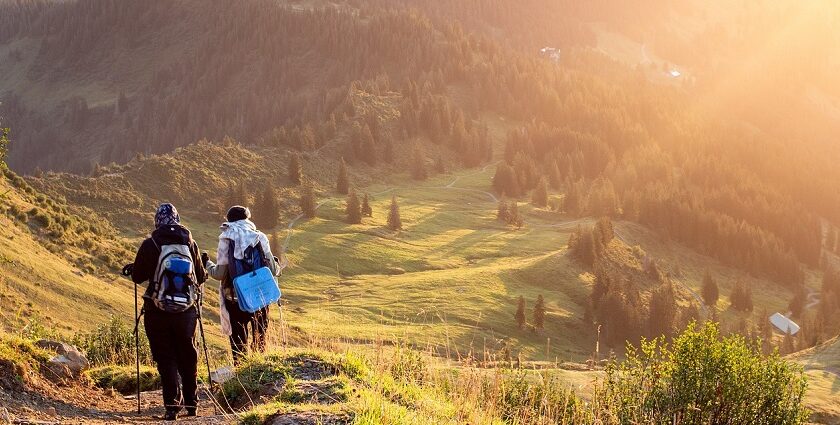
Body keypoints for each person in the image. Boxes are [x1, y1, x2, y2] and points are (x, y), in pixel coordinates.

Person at [129, 203, 207, 421]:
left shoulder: (151, 243)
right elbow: (200, 277)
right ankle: (192, 404)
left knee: (165, 357)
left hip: (157, 309)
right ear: (177, 219)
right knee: (188, 354)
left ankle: (172, 406)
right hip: (187, 311)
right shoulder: (190, 242)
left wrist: (132, 269)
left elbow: (137, 277)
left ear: (157, 221)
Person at [204, 205, 283, 364]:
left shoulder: (226, 238)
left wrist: (207, 263)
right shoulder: (260, 237)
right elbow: (273, 271)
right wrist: (276, 263)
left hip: (235, 298)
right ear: (247, 219)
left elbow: (219, 274)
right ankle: (259, 373)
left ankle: (240, 375)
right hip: (259, 297)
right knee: (260, 339)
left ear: (229, 220)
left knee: (239, 344)